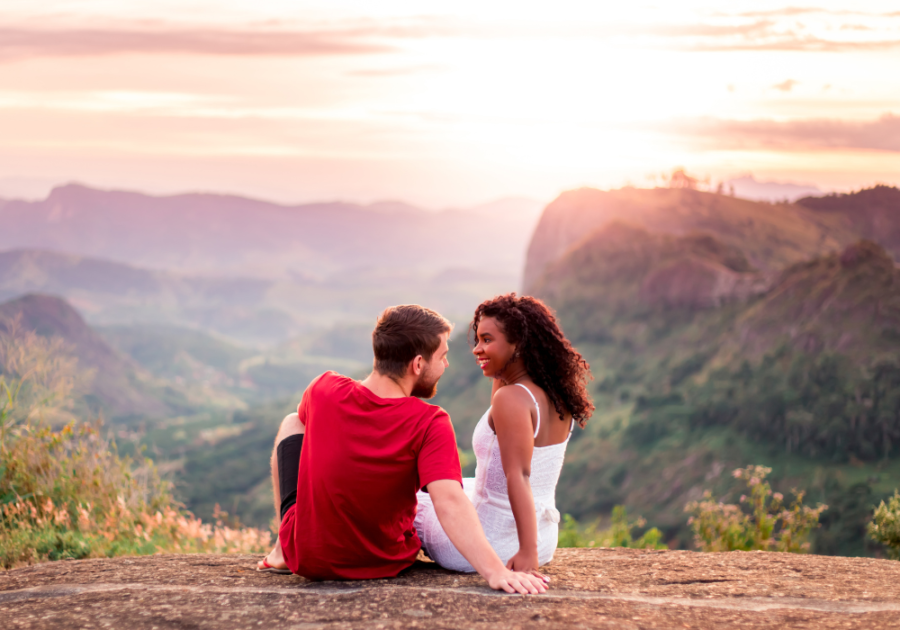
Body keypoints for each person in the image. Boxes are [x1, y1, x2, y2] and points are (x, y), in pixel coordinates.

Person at [256, 304, 548, 595]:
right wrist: (495, 571)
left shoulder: (323, 389)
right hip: (384, 560)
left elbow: (303, 435)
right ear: (418, 364)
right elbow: (449, 502)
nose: (445, 366)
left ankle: (284, 545)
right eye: (443, 357)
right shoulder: (430, 421)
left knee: (293, 422)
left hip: (309, 559)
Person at [415, 293, 593, 574]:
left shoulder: (511, 399)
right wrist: (500, 361)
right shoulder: (556, 394)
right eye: (477, 340)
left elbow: (519, 475)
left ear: (519, 343)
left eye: (487, 340)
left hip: (489, 542)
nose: (476, 349)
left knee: (415, 496)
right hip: (544, 536)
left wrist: (527, 554)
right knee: (463, 486)